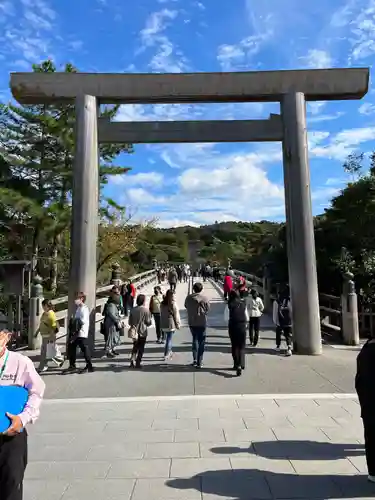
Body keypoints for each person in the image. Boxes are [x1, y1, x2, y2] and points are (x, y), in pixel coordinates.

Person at [0, 329, 45, 500]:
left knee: (11, 487)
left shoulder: (20, 362)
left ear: (7, 337)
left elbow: (37, 391)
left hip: (10, 439)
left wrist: (24, 418)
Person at [355, 334, 375, 483]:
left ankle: (373, 472)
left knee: (371, 435)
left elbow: (359, 380)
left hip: (369, 404)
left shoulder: (367, 348)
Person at [63, 292, 94, 374]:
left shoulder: (84, 308)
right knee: (72, 347)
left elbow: (83, 320)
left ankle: (89, 365)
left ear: (82, 299)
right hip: (76, 332)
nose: (75, 300)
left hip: (81, 332)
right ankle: (72, 365)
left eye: (77, 298)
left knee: (84, 348)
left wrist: (75, 321)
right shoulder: (78, 308)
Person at [185, 282, 210, 368]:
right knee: (202, 341)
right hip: (202, 321)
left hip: (192, 321)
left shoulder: (188, 298)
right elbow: (208, 308)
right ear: (201, 289)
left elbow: (186, 306)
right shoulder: (204, 298)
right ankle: (200, 361)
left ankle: (195, 359)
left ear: (193, 289)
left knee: (194, 339)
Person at [37, 299, 64, 372]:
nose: (42, 307)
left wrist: (51, 336)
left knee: (45, 352)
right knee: (49, 351)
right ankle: (60, 360)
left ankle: (43, 366)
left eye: (43, 306)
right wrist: (37, 332)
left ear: (46, 305)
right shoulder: (44, 313)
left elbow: (54, 326)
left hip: (49, 336)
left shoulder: (51, 314)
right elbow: (42, 323)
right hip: (44, 335)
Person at [226, 290, 248, 376]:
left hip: (233, 326)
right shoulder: (243, 304)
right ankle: (241, 364)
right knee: (242, 346)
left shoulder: (229, 305)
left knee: (234, 345)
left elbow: (225, 317)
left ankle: (236, 364)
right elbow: (247, 317)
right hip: (242, 326)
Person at [129, 294, 152, 368]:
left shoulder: (133, 310)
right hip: (143, 330)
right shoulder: (146, 310)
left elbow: (130, 322)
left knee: (135, 346)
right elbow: (148, 322)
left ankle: (132, 360)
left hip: (134, 331)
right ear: (143, 301)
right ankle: (138, 362)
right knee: (141, 347)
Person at [160, 289, 181, 361]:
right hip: (170, 323)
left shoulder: (162, 303)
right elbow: (176, 315)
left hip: (163, 322)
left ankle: (170, 351)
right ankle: (166, 354)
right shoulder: (173, 304)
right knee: (169, 339)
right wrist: (178, 324)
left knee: (168, 337)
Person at [273, 287, 293, 356]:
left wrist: (275, 322)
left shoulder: (277, 301)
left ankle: (278, 346)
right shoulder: (289, 300)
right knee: (288, 335)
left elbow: (275, 313)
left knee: (278, 334)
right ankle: (289, 348)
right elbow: (291, 311)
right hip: (288, 321)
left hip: (280, 321)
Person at [102, 290, 122, 358]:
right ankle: (108, 352)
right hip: (110, 324)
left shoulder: (113, 305)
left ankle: (112, 350)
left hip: (112, 324)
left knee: (113, 337)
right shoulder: (111, 305)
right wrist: (117, 321)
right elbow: (112, 314)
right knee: (110, 338)